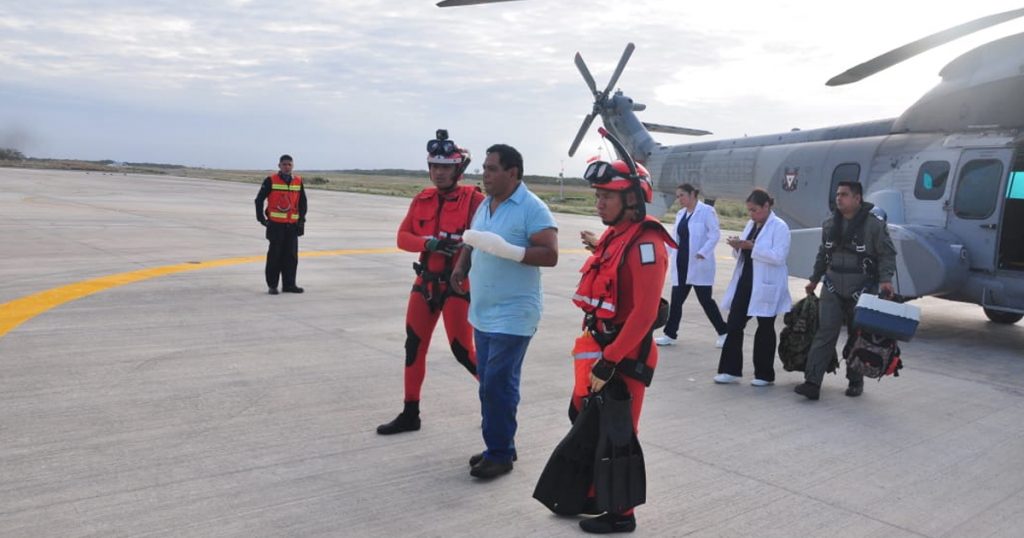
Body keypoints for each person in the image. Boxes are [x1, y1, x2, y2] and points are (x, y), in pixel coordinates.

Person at [569, 150, 672, 534]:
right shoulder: (617, 235)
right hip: (601, 348)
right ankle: (596, 494)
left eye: (606, 196)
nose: (599, 203)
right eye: (597, 195)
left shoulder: (648, 245)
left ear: (631, 199)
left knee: (619, 432)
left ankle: (622, 514)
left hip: (625, 356)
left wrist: (609, 360)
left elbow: (644, 314)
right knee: (584, 419)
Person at [452, 144, 558, 480]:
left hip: (514, 315)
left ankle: (498, 454)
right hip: (483, 311)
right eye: (484, 168)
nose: (484, 174)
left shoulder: (533, 208)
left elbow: (550, 254)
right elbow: (473, 240)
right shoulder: (485, 204)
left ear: (512, 173)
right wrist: (461, 267)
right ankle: (500, 446)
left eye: (492, 169)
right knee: (489, 384)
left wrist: (510, 251)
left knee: (497, 385)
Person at [376, 131, 484, 435]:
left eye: (445, 167)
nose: (439, 172)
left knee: (462, 351)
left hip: (457, 287)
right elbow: (402, 237)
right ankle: (410, 413)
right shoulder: (422, 199)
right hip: (425, 282)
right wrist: (429, 243)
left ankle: (497, 405)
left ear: (458, 169)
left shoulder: (475, 201)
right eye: (434, 166)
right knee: (413, 346)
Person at [795, 181, 897, 400]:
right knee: (825, 333)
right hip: (832, 285)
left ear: (857, 198)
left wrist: (886, 280)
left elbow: (887, 254)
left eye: (844, 194)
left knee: (857, 336)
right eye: (837, 194)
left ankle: (855, 381)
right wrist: (814, 279)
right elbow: (823, 254)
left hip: (862, 287)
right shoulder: (830, 224)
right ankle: (812, 382)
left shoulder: (874, 226)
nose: (839, 198)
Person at [715, 188, 792, 386]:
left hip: (766, 283)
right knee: (734, 324)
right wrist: (738, 247)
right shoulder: (751, 225)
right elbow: (743, 253)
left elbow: (779, 256)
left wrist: (752, 247)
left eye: (754, 210)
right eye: (749, 210)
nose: (751, 214)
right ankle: (730, 370)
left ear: (766, 206)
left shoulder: (779, 227)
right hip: (746, 281)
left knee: (765, 327)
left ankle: (764, 375)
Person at [655, 183, 729, 348]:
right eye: (678, 196)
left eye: (682, 195)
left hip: (698, 264)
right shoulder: (681, 214)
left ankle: (724, 332)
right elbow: (674, 239)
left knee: (706, 301)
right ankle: (670, 334)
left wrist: (704, 252)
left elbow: (715, 234)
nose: (679, 199)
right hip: (681, 264)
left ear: (692, 195)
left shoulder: (707, 211)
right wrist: (662, 255)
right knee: (676, 301)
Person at [254, 154, 306, 294]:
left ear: (293, 166)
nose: (287, 167)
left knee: (291, 257)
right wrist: (261, 218)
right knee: (275, 256)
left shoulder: (298, 181)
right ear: (279, 166)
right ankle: (272, 285)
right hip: (276, 225)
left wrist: (301, 221)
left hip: (292, 226)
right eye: (284, 164)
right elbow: (259, 200)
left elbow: (303, 203)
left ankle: (289, 285)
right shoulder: (270, 180)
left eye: (289, 164)